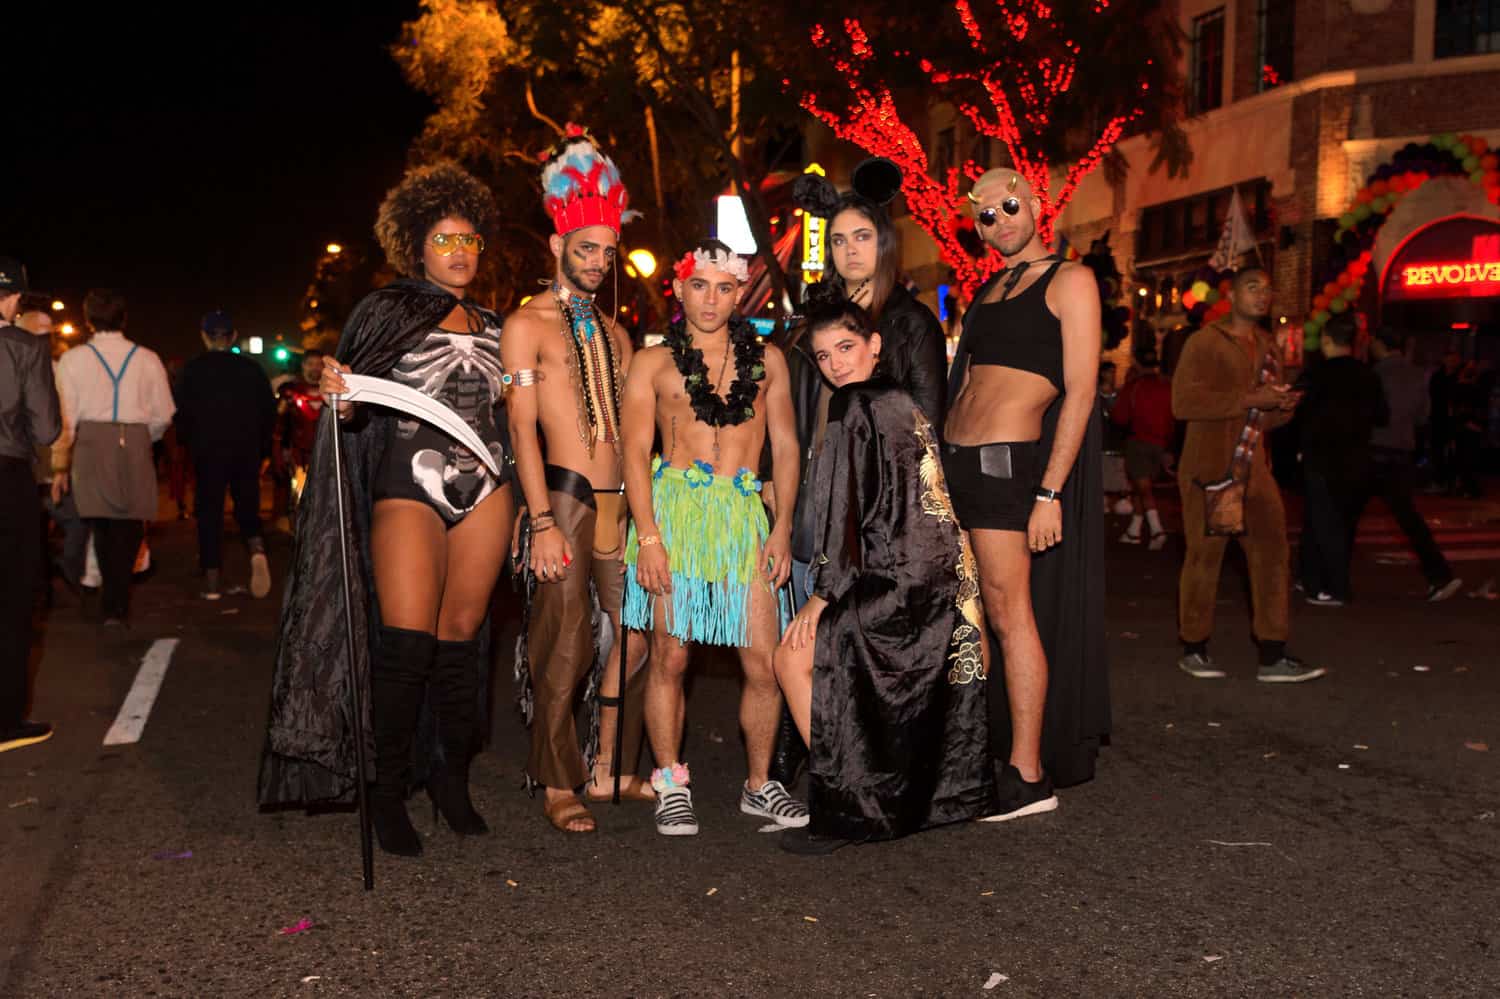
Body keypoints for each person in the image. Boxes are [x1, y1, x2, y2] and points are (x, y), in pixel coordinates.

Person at [260, 161, 515, 858]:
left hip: (487, 487)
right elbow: (351, 407)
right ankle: (386, 785)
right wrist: (339, 392)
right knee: (406, 643)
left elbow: (517, 409)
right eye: (444, 239)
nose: (460, 251)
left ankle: (450, 777)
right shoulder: (384, 311)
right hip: (409, 482)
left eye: (470, 240)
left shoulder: (500, 323)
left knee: (463, 640)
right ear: (417, 247)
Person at [772, 300, 995, 853]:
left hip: (899, 575)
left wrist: (822, 595)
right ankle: (907, 803)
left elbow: (839, 506)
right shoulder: (902, 400)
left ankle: (849, 808)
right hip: (941, 573)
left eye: (845, 348)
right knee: (895, 680)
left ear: (874, 345)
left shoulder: (852, 404)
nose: (835, 364)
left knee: (792, 657)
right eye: (823, 356)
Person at [620, 239, 804, 837]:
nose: (711, 299)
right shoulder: (652, 363)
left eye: (725, 287)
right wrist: (647, 537)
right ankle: (670, 781)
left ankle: (759, 786)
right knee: (671, 656)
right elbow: (632, 452)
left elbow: (788, 445)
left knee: (763, 661)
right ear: (679, 288)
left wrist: (782, 527)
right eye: (700, 285)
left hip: (743, 516)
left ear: (740, 293)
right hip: (674, 516)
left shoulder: (769, 359)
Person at [942, 169, 1110, 821]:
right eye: (984, 214)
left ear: (1036, 203)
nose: (999, 219)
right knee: (970, 617)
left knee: (1012, 616)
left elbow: (1082, 392)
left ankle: (1030, 773)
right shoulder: (987, 289)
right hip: (958, 466)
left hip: (1006, 467)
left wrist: (1049, 490)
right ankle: (979, 753)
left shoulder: (1071, 280)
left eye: (1008, 205)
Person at [502, 129, 651, 835]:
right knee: (564, 640)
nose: (596, 261)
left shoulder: (620, 335)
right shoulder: (525, 324)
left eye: (605, 250)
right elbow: (521, 427)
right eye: (584, 248)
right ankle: (558, 779)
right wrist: (539, 520)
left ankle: (608, 763)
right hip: (562, 494)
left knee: (640, 629)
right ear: (560, 243)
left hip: (624, 502)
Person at [1172, 267, 1323, 682]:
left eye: (1267, 289)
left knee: (1273, 557)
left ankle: (1273, 654)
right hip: (1214, 471)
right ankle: (1194, 645)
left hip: (1255, 471)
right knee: (1206, 559)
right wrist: (1248, 398)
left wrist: (1282, 408)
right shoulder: (1205, 341)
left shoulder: (1267, 345)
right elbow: (1183, 403)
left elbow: (1262, 417)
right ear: (1232, 295)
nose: (1262, 295)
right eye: (1253, 288)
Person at [52, 289, 175, 627]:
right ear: (124, 318)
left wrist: (60, 463)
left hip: (91, 441)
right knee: (131, 523)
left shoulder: (72, 359)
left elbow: (66, 418)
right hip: (135, 439)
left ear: (88, 320)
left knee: (101, 523)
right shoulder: (147, 358)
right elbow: (164, 413)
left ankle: (111, 600)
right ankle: (118, 601)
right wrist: (142, 438)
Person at [0, 259, 61, 752]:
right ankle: (5, 720)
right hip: (6, 475)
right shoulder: (24, 346)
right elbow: (46, 429)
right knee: (14, 597)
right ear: (14, 299)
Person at [174, 310, 276, 600]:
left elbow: (181, 413)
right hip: (245, 449)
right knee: (247, 506)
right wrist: (263, 449)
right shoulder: (252, 369)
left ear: (205, 336)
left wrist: (186, 444)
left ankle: (212, 578)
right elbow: (268, 413)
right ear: (233, 336)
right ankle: (256, 550)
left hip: (207, 450)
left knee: (209, 511)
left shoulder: (192, 370)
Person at [1294, 314, 1388, 606]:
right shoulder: (1368, 375)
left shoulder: (1316, 374)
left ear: (1326, 340)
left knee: (1322, 518)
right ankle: (1310, 577)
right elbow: (1382, 416)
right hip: (1356, 454)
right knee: (1339, 520)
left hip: (1321, 455)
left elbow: (1300, 414)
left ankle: (1335, 586)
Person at [1366, 328, 1462, 602]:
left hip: (1374, 448)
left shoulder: (1376, 375)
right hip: (1402, 450)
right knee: (1408, 517)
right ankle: (1440, 574)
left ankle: (1326, 578)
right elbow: (1422, 416)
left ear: (1379, 344)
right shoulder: (1418, 374)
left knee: (1344, 511)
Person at [1112, 345, 1174, 549]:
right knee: (1141, 489)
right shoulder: (1167, 387)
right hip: (1161, 444)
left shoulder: (1133, 387)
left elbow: (1119, 417)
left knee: (1144, 489)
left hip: (1138, 443)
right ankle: (1133, 531)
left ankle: (1157, 531)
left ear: (1138, 364)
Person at [271, 349, 325, 528]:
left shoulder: (332, 394)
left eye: (319, 364)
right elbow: (278, 425)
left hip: (327, 455)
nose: (315, 369)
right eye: (310, 364)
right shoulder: (291, 393)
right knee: (298, 496)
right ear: (303, 366)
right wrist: (278, 452)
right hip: (298, 456)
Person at [1426, 349, 1462, 493]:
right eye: (1449, 358)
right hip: (1438, 419)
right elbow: (1432, 397)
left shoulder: (1459, 377)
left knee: (1454, 452)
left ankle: (1453, 481)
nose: (1452, 362)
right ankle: (1439, 481)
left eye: (1455, 359)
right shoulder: (1437, 377)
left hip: (1454, 420)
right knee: (1437, 452)